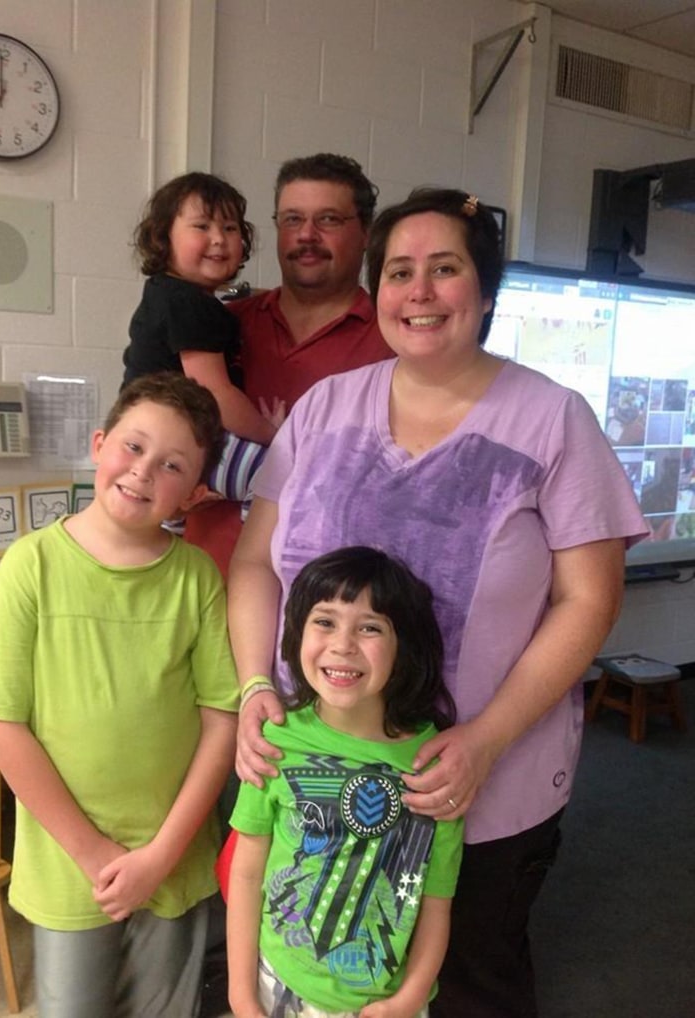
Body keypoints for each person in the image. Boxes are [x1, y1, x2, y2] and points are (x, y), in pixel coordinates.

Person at [228, 188, 648, 1018]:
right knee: (315, 967)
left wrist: (486, 742)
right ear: (375, 289)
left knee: (469, 986)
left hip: (478, 785)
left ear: (484, 291)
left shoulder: (553, 421)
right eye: (399, 272)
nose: (419, 292)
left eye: (445, 269)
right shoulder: (324, 410)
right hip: (317, 772)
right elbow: (253, 564)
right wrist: (251, 687)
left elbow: (589, 601)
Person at [0, 373, 240, 1018]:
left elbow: (221, 719)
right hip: (68, 860)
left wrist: (161, 853)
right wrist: (95, 854)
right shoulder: (30, 564)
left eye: (171, 465)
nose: (144, 473)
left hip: (172, 856)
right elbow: (0, 721)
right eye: (134, 448)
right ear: (99, 443)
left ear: (194, 493)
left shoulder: (196, 576)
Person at [227, 547, 463, 1018]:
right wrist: (241, 994)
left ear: (405, 646)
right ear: (296, 633)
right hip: (276, 982)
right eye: (325, 622)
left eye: (370, 627)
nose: (343, 644)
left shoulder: (433, 763)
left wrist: (412, 996)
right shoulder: (275, 739)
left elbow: (436, 898)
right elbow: (247, 872)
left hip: (384, 1005)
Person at [184, 154, 393, 575]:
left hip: (322, 606)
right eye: (292, 219)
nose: (307, 236)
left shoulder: (394, 343)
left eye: (329, 220)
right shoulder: (219, 326)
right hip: (197, 586)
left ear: (366, 232)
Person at [122, 172, 285, 513]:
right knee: (285, 475)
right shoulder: (187, 303)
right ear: (163, 237)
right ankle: (253, 551)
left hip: (151, 438)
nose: (219, 239)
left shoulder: (167, 294)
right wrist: (272, 435)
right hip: (182, 438)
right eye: (202, 226)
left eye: (230, 228)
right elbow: (215, 394)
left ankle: (176, 519)